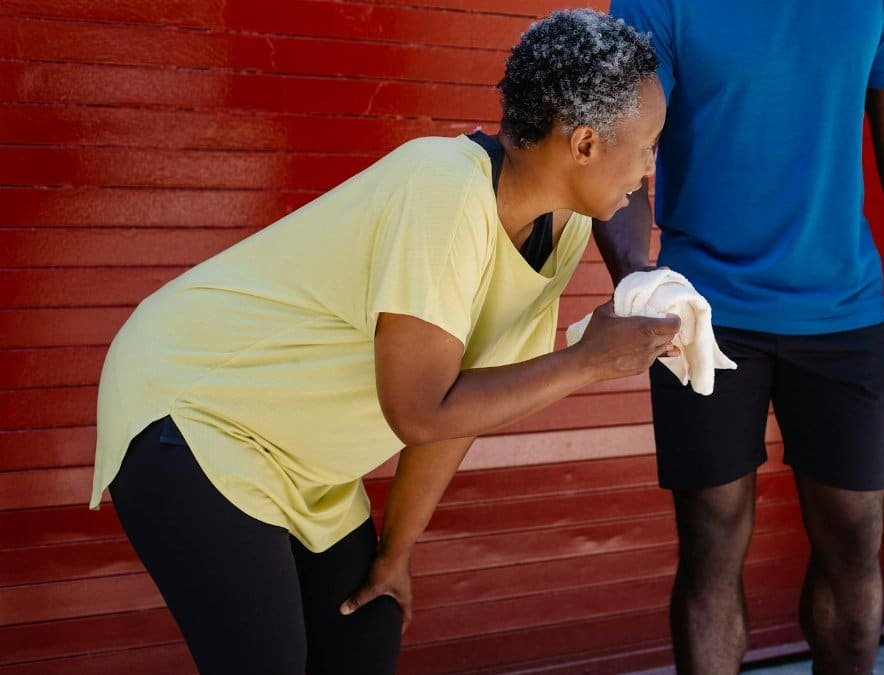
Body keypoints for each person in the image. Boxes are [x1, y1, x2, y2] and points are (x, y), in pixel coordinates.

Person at [88, 9, 674, 674]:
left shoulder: (559, 227)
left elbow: (460, 408)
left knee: (365, 636)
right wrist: (584, 361)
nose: (652, 163)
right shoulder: (442, 187)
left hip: (309, 464)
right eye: (649, 142)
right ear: (586, 144)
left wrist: (397, 549)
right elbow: (421, 408)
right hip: (201, 412)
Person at [597, 2, 884, 674]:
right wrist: (639, 280)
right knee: (710, 542)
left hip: (840, 310)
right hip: (702, 312)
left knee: (855, 539)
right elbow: (620, 147)